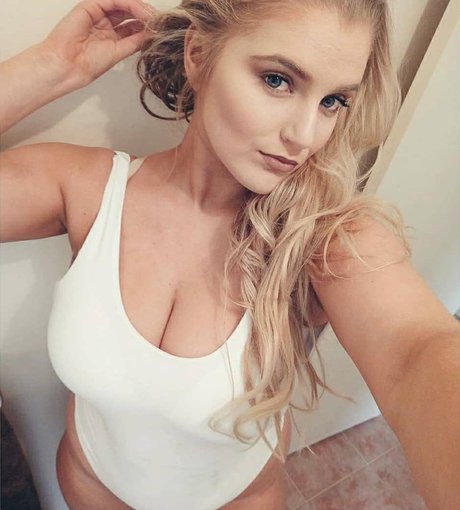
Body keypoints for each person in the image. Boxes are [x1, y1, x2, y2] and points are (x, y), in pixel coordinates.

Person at [1, 0, 459, 509]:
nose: (305, 136)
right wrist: (52, 66)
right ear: (199, 54)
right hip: (89, 489)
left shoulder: (323, 239)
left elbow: (416, 354)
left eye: (332, 101)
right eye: (278, 80)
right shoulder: (89, 188)